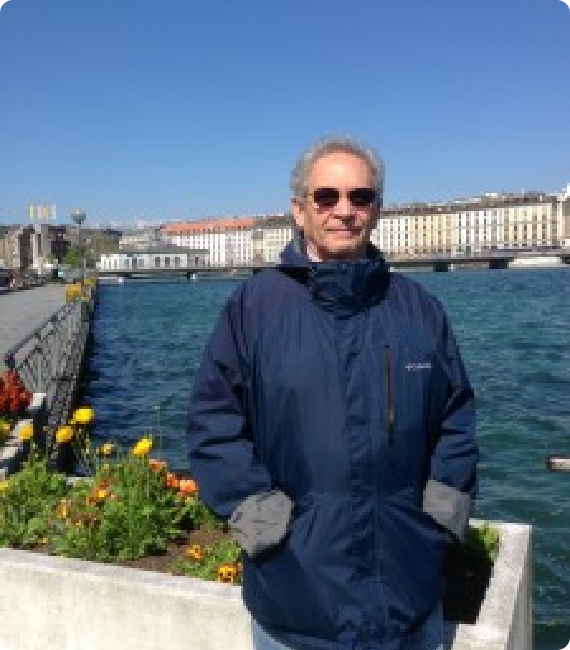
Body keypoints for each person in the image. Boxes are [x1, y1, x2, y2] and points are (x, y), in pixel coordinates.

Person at [186, 136, 477, 650]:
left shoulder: (421, 311)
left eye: (360, 197)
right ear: (299, 210)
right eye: (327, 197)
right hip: (294, 600)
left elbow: (457, 421)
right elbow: (214, 422)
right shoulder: (254, 309)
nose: (344, 210)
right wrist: (262, 522)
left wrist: (438, 520)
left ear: (377, 210)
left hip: (409, 596)